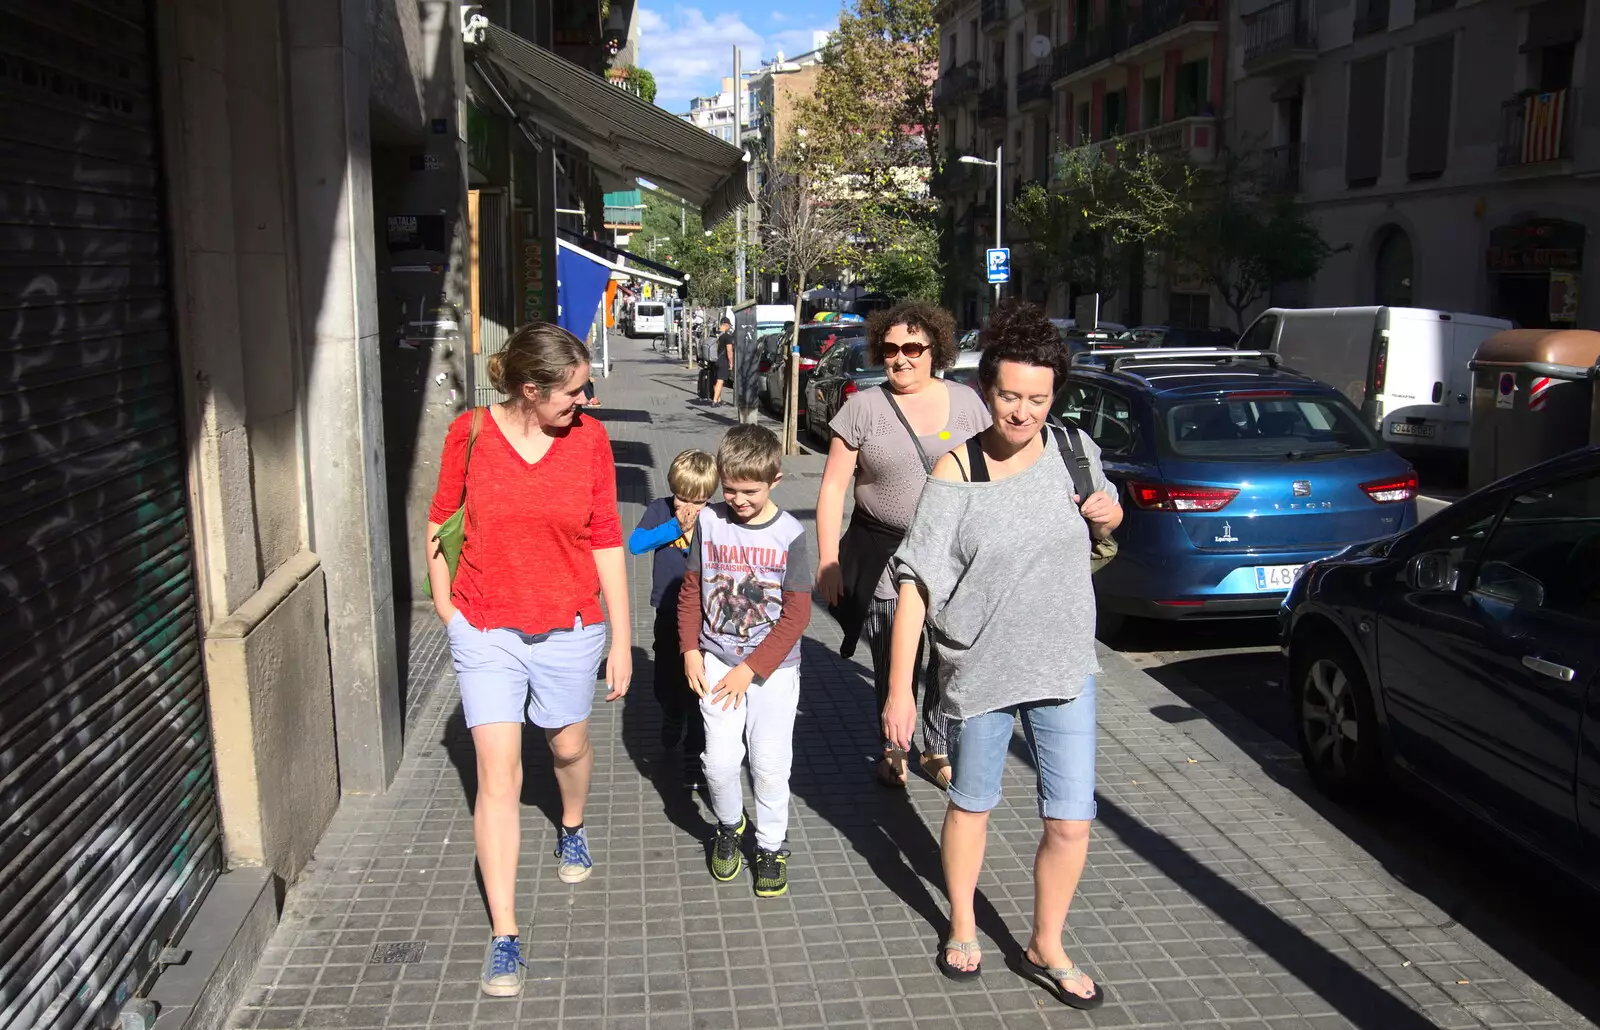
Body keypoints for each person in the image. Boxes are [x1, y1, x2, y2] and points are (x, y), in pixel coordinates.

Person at [885, 301, 1123, 1008]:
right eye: (1009, 396)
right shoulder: (958, 471)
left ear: (1056, 397)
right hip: (980, 670)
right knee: (972, 804)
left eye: (1038, 399)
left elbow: (1102, 538)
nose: (1022, 412)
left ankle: (1045, 943)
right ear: (986, 391)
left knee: (1071, 819)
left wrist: (1112, 517)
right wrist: (900, 691)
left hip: (1065, 667)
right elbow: (915, 588)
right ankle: (962, 922)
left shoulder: (1077, 451)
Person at [425, 322, 633, 999]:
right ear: (529, 388)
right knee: (498, 774)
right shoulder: (471, 434)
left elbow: (606, 537)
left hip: (570, 626)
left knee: (568, 745)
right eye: (573, 391)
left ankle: (571, 825)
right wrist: (446, 606)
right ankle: (505, 935)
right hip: (485, 628)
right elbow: (439, 518)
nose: (584, 400)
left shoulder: (590, 441)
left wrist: (622, 639)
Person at [814, 302, 989, 789]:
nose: (901, 358)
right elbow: (831, 488)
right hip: (885, 555)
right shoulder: (863, 408)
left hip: (953, 557)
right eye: (891, 349)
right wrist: (829, 560)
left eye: (913, 347)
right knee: (895, 655)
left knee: (944, 656)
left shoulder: (966, 404)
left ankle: (932, 743)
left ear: (936, 350)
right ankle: (894, 746)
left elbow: (988, 473)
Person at [678, 425, 813, 898]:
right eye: (730, 489)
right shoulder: (709, 524)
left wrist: (751, 669)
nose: (737, 499)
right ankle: (730, 826)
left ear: (775, 480)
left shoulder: (790, 534)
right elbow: (692, 589)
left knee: (771, 763)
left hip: (772, 669)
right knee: (718, 763)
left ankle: (771, 844)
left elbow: (796, 614)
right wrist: (689, 648)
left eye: (749, 491)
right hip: (715, 659)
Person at [628, 449, 719, 788]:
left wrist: (702, 529)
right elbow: (636, 544)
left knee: (699, 689)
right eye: (683, 498)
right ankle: (670, 712)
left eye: (699, 502)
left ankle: (695, 756)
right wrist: (674, 526)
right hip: (668, 613)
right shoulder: (660, 510)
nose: (690, 508)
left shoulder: (714, 518)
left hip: (704, 618)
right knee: (666, 683)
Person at [711, 317, 734, 406]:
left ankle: (719, 399)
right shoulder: (727, 337)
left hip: (713, 360)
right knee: (720, 380)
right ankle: (715, 401)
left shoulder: (713, 334)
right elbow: (729, 351)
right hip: (722, 361)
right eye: (728, 326)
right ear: (726, 325)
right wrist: (731, 362)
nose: (728, 328)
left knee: (716, 380)